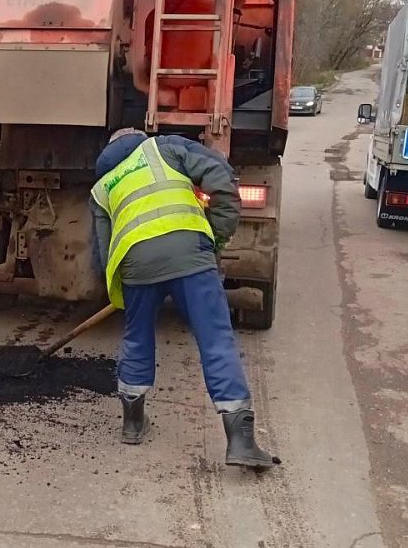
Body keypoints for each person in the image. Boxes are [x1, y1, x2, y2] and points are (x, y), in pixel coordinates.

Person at [90, 128, 277, 468]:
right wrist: (216, 237)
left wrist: (124, 286)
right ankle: (241, 442)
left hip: (135, 264)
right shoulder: (164, 147)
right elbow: (219, 176)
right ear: (138, 139)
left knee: (137, 337)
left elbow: (103, 252)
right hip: (189, 252)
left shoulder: (102, 187)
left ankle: (132, 424)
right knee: (215, 339)